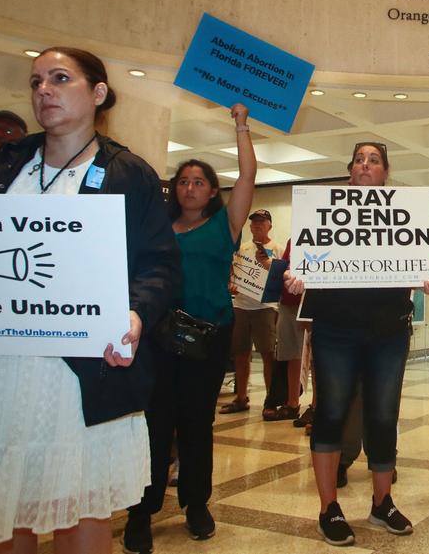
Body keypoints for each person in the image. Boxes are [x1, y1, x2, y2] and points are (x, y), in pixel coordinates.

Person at [0, 47, 180, 554]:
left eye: (58, 78)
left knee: (80, 507)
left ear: (97, 93)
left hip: (78, 371)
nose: (43, 91)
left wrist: (135, 315)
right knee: (1, 510)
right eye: (35, 82)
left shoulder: (128, 174)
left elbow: (158, 265)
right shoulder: (2, 169)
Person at [285, 142, 429, 546]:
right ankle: (328, 507)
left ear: (386, 172)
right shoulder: (322, 213)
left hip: (389, 330)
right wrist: (297, 277)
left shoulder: (404, 216)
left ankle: (382, 502)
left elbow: (414, 267)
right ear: (350, 171)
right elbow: (305, 263)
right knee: (331, 412)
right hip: (335, 329)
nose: (365, 165)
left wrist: (426, 277)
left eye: (374, 160)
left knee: (384, 415)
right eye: (359, 160)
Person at [123, 103, 256, 551]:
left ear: (212, 190)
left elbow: (248, 177)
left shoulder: (225, 226)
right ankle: (142, 511)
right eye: (183, 181)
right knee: (155, 424)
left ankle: (196, 504)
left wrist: (240, 125)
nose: (190, 188)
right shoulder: (158, 228)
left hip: (208, 336)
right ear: (174, 189)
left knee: (197, 423)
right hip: (159, 339)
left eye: (199, 182)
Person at [220, 209, 282, 416]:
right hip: (241, 306)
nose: (257, 226)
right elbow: (232, 274)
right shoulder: (241, 249)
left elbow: (279, 278)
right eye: (254, 223)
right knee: (240, 353)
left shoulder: (277, 249)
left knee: (267, 354)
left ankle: (270, 400)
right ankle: (240, 397)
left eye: (262, 222)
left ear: (269, 226)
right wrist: (231, 284)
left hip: (265, 308)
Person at [261, 239, 305, 421]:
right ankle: (292, 403)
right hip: (287, 303)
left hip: (310, 304)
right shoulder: (293, 240)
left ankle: (317, 408)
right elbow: (284, 267)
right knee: (290, 355)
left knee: (315, 358)